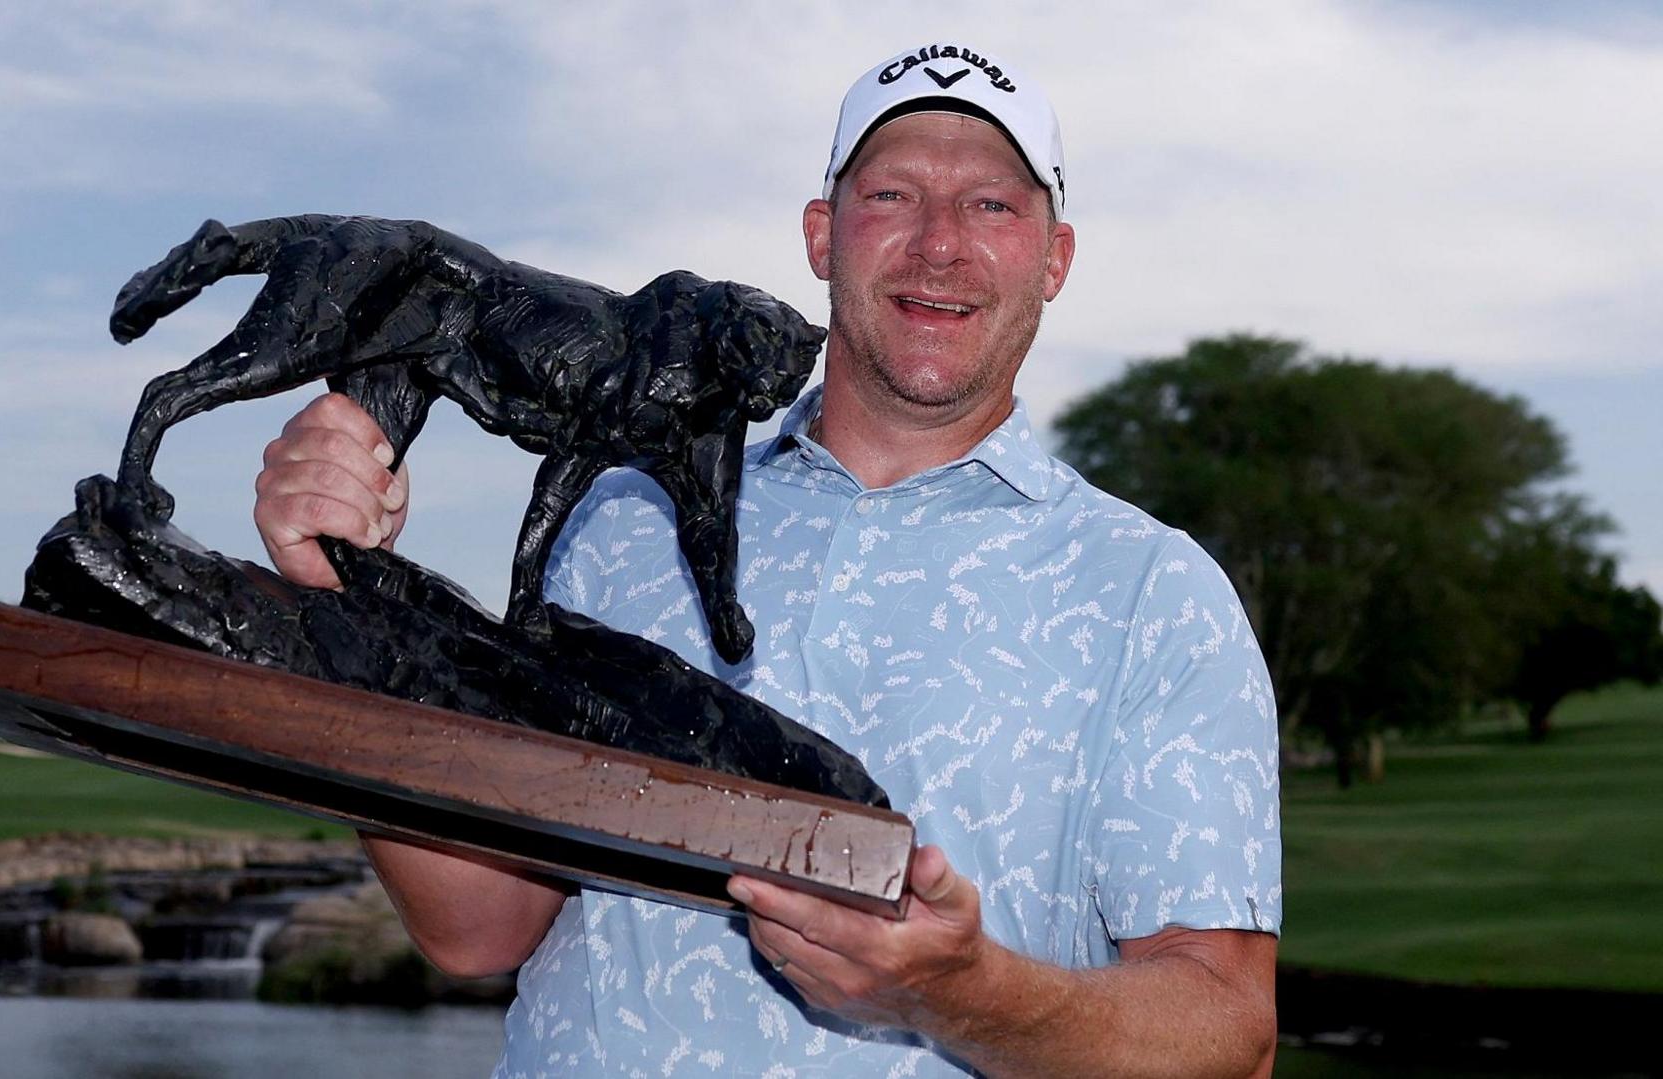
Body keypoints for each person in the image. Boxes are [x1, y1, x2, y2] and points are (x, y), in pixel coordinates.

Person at [252, 43, 1281, 1078]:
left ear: (1054, 257)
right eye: (892, 194)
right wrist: (343, 598)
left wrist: (964, 994)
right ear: (823, 236)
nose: (939, 245)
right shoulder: (622, 514)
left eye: (992, 207)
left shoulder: (1155, 592)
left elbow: (1230, 1036)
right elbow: (480, 925)